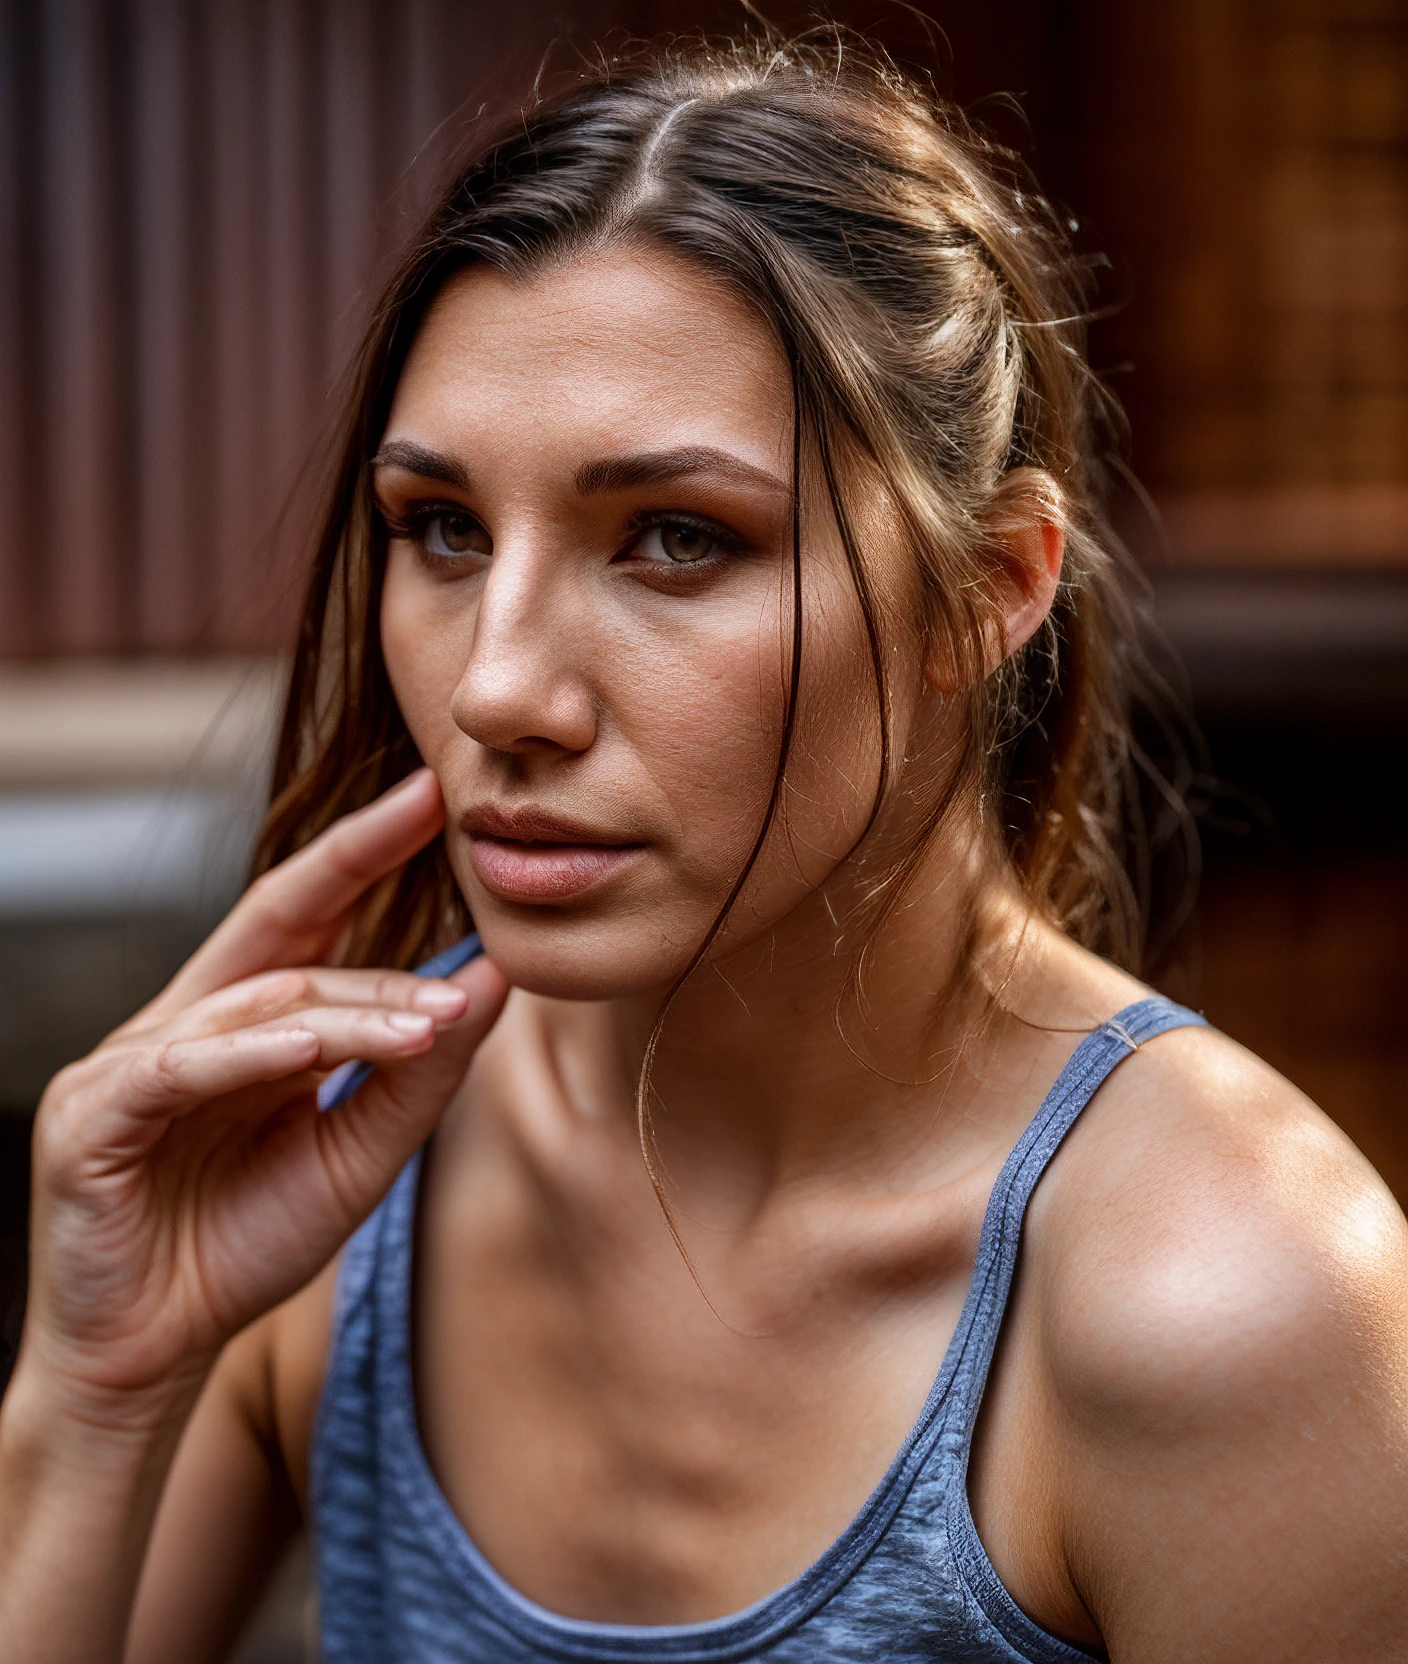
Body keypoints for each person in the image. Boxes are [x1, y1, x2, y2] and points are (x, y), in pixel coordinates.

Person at [2, 33, 1405, 1664]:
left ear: (995, 586)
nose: (501, 686)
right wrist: (92, 1394)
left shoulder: (1230, 1312)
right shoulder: (328, 1177)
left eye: (678, 539)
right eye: (442, 529)